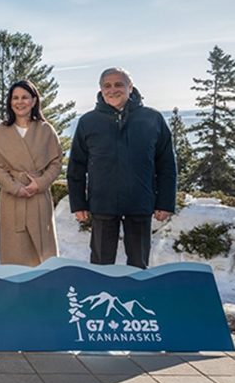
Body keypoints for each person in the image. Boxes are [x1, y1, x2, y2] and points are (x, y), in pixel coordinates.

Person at [67, 67, 177, 269]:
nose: (113, 89)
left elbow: (167, 165)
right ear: (100, 90)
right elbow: (76, 166)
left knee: (138, 265)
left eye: (119, 84)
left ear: (130, 87)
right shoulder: (88, 122)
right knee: (100, 265)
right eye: (107, 86)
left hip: (140, 202)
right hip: (102, 203)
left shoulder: (152, 119)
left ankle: (137, 298)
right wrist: (79, 203)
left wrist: (165, 202)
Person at [0, 80, 62, 266]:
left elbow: (56, 163)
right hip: (12, 200)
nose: (20, 102)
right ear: (10, 102)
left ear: (34, 101)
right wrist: (14, 187)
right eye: (15, 98)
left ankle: (45, 291)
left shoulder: (46, 130)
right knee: (15, 255)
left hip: (39, 198)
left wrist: (40, 183)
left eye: (25, 97)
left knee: (44, 255)